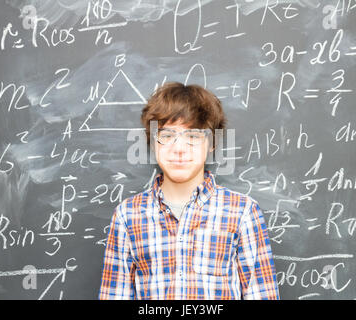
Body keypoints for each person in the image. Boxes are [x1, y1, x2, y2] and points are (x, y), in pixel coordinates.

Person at [98, 82, 279, 300]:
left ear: (211, 143)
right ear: (152, 142)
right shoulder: (128, 215)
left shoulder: (242, 212)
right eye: (166, 136)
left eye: (193, 136)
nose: (179, 148)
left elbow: (262, 295)